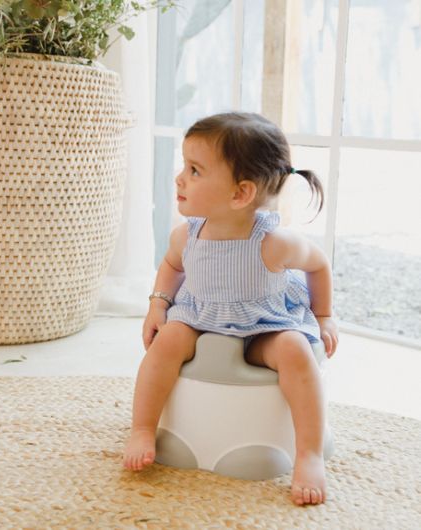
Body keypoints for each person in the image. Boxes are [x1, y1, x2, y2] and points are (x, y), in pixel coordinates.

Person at [123, 112, 339, 506]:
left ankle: (307, 452)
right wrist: (159, 303)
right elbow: (172, 267)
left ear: (240, 194)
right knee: (167, 340)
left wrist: (323, 316)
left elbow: (319, 263)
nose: (179, 178)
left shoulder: (273, 242)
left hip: (262, 323)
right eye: (183, 166)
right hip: (199, 317)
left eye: (194, 170)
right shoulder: (186, 235)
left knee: (295, 350)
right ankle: (142, 427)